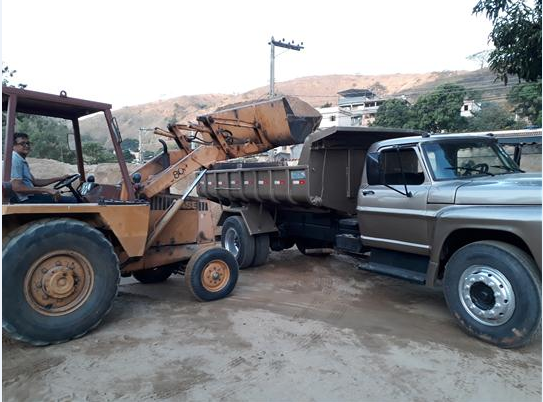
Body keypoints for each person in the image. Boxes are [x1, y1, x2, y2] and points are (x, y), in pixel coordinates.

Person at [10, 132, 77, 203]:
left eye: (28, 143)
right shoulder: (14, 160)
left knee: (66, 198)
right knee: (73, 201)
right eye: (22, 143)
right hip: (25, 200)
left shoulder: (20, 160)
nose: (26, 146)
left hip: (29, 197)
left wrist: (60, 178)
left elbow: (35, 182)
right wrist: (47, 190)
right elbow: (16, 187)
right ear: (13, 146)